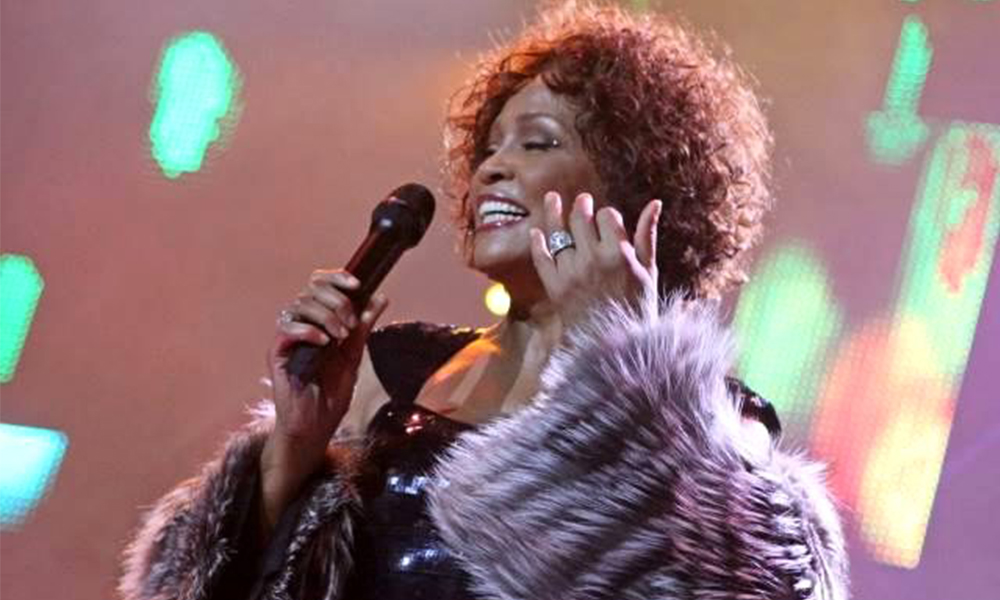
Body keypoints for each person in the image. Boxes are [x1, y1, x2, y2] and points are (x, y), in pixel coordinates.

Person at [119, 3, 848, 600]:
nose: (492, 168)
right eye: (489, 148)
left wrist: (623, 370)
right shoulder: (396, 368)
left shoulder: (706, 423)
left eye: (537, 143)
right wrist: (295, 447)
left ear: (632, 187)